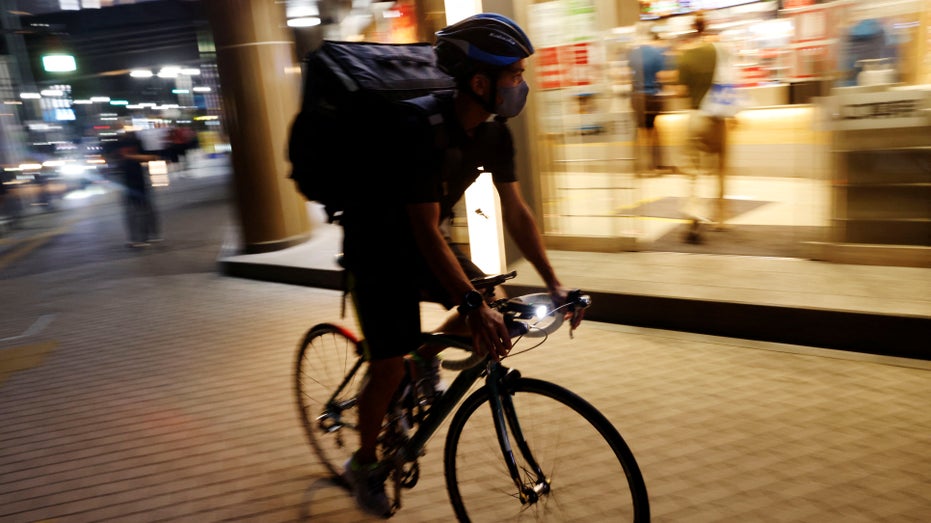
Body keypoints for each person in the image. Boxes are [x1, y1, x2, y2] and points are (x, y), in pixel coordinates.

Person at [338, 13, 582, 517]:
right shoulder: (417, 127)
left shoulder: (494, 135)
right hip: (378, 252)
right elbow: (424, 228)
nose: (522, 84)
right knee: (386, 368)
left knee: (493, 299)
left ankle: (425, 359)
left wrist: (554, 282)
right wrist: (469, 306)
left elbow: (516, 211)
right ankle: (364, 465)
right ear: (479, 82)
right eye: (513, 75)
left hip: (423, 243)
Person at [675, 11, 732, 241]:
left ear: (692, 28)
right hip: (718, 117)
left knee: (692, 171)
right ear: (708, 27)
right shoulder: (721, 51)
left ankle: (694, 217)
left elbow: (680, 92)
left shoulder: (685, 56)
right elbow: (730, 82)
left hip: (696, 118)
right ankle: (720, 219)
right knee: (720, 170)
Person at [628, 22, 675, 175]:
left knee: (645, 132)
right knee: (650, 132)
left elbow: (626, 74)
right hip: (652, 96)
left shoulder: (632, 53)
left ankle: (648, 166)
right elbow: (662, 75)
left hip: (636, 96)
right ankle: (650, 167)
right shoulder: (656, 53)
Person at [111, 133, 162, 247]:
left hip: (139, 181)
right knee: (133, 211)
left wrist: (129, 156)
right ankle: (136, 239)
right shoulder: (115, 144)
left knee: (145, 209)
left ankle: (150, 236)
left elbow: (152, 157)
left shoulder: (137, 142)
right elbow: (113, 162)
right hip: (125, 182)